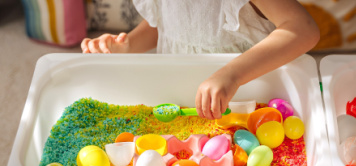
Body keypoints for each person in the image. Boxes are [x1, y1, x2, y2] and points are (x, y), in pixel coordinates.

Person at [81, 0, 320, 121]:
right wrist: (129, 45)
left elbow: (304, 29)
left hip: (244, 104)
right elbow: (169, 24)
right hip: (178, 101)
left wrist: (232, 75)